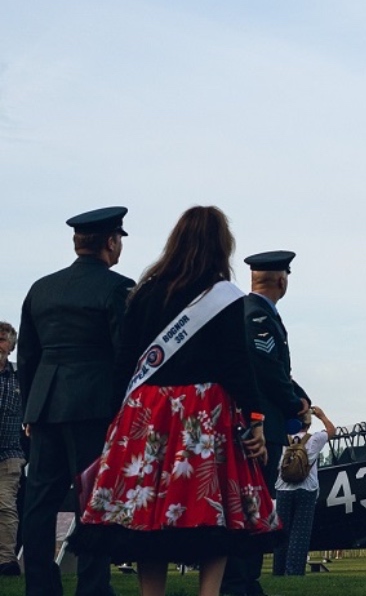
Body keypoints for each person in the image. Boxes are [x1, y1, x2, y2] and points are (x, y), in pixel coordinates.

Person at [73, 205, 278, 596]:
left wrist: (116, 419)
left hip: (147, 413)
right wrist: (256, 418)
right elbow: (238, 364)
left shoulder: (145, 293)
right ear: (221, 245)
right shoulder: (225, 298)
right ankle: (209, 592)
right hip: (205, 414)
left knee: (149, 510)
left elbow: (125, 360)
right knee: (212, 507)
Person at [16, 207, 135, 596]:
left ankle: (41, 585)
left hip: (46, 404)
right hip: (94, 405)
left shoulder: (41, 288)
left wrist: (31, 409)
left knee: (39, 502)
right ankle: (93, 585)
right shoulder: (117, 288)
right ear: (110, 242)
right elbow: (125, 355)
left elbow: (28, 357)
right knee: (93, 499)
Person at [224, 250, 309, 596]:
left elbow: (275, 369)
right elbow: (268, 369)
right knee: (253, 504)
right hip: (263, 425)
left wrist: (301, 395)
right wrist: (294, 405)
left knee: (252, 503)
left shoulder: (247, 311)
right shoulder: (259, 316)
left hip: (254, 422)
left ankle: (243, 580)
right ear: (281, 279)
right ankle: (241, 582)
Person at [272, 405, 334, 578]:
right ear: (308, 423)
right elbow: (331, 430)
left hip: (283, 488)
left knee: (282, 530)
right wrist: (321, 415)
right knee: (300, 532)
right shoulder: (315, 439)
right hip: (307, 489)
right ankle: (294, 571)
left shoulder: (282, 439)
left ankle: (278, 570)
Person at [0, 321, 22, 576]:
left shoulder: (20, 377)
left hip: (10, 452)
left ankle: (6, 561)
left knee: (6, 505)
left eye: (3, 339)